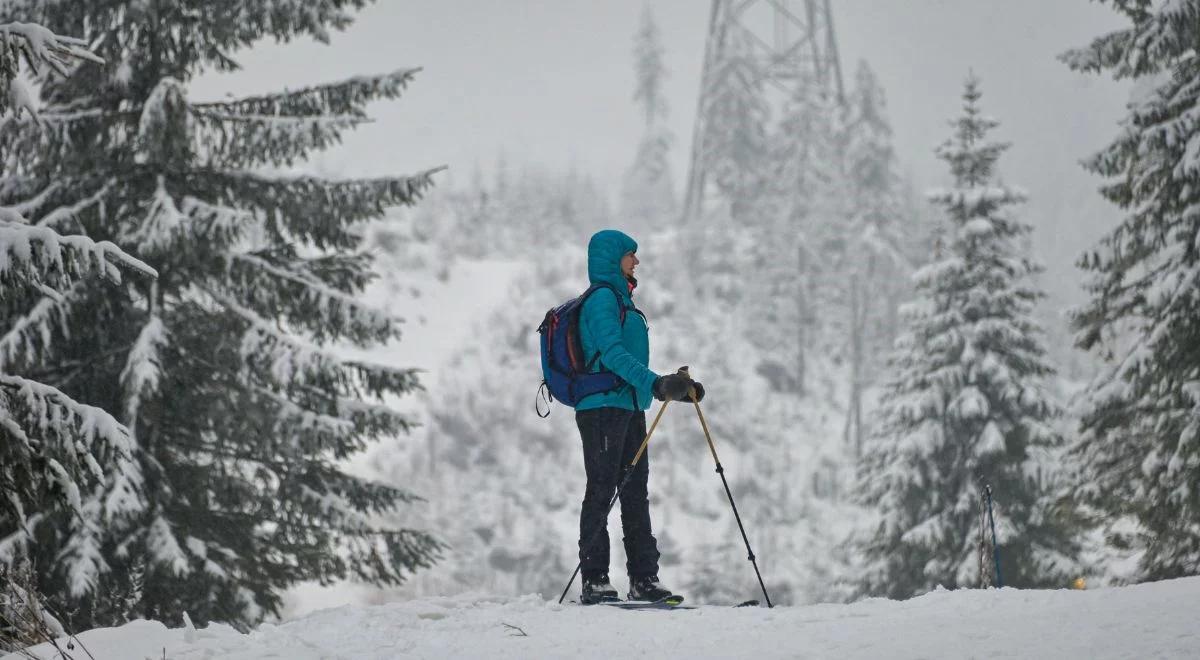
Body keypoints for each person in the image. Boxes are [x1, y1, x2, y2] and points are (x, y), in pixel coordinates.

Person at [574, 229, 705, 604]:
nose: (637, 261)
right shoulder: (601, 300)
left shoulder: (622, 302)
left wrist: (676, 388)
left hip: (629, 408)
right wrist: (656, 385)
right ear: (612, 259)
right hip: (601, 409)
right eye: (631, 254)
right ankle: (595, 579)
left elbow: (629, 363)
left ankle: (644, 578)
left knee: (635, 493)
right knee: (601, 489)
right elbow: (613, 355)